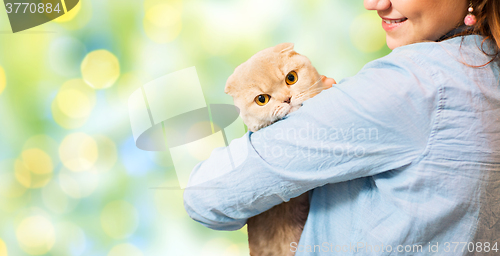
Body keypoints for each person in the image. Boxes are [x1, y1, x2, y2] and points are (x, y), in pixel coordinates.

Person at [184, 0, 500, 255]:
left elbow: (205, 196)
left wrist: (299, 122)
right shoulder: (487, 70)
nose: (373, 3)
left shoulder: (413, 83)